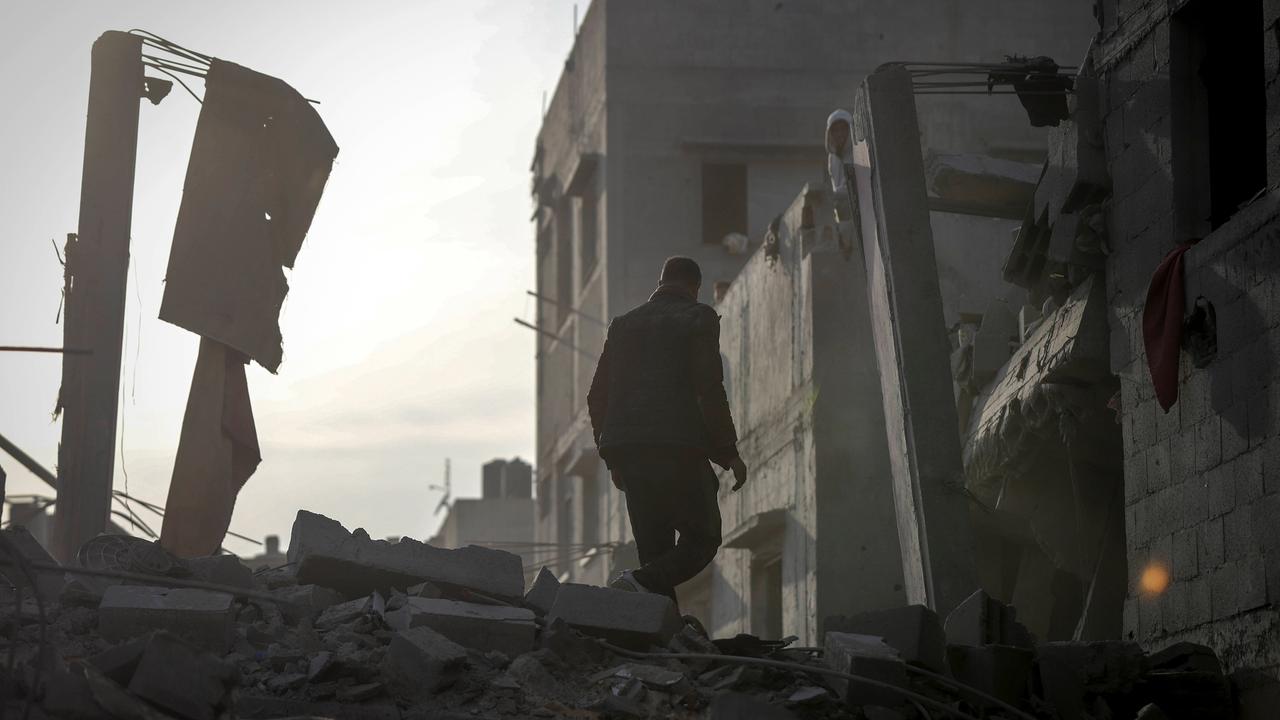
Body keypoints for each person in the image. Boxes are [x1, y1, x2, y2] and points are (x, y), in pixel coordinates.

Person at [587, 256, 748, 604]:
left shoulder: (623, 324)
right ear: (695, 287)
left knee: (655, 557)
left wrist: (612, 458)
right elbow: (709, 387)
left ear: (660, 283)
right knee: (703, 538)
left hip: (629, 454)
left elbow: (596, 396)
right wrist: (728, 451)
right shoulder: (697, 316)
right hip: (676, 449)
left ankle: (661, 640)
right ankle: (639, 582)